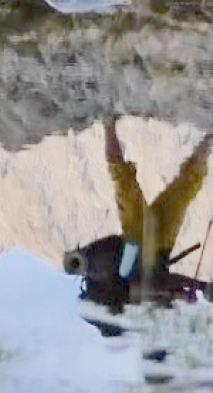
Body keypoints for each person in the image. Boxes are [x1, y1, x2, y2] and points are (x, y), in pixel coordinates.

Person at [63, 119, 213, 329]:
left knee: (126, 182)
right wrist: (191, 290)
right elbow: (163, 283)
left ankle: (108, 124)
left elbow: (154, 285)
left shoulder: (128, 305)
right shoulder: (150, 318)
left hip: (137, 245)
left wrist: (199, 287)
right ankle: (209, 139)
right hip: (158, 247)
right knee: (182, 188)